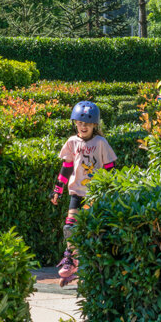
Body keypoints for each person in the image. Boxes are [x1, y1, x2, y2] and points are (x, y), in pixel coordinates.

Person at [51, 100, 117, 286]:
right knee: (70, 227)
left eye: (87, 124)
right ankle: (70, 259)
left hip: (94, 195)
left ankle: (90, 263)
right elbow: (66, 167)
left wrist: (109, 189)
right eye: (79, 123)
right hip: (76, 193)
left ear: (94, 125)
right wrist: (57, 189)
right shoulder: (72, 142)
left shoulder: (101, 142)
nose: (83, 126)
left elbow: (110, 167)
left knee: (91, 229)